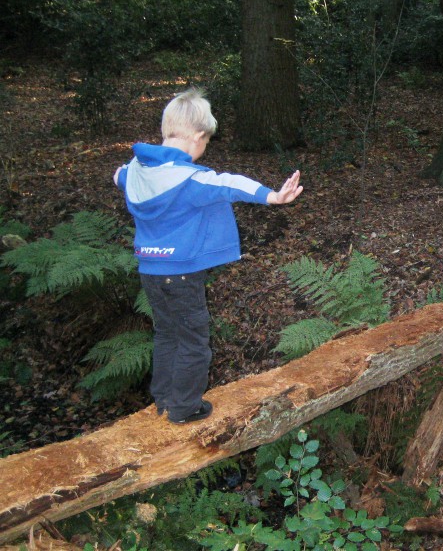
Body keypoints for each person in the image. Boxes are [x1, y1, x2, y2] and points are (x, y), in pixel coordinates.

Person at [114, 88, 303, 424]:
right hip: (182, 274)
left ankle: (164, 400)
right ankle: (184, 408)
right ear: (198, 137)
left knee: (167, 333)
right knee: (194, 342)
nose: (205, 150)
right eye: (206, 142)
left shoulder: (136, 172)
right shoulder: (191, 181)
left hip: (150, 270)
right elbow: (229, 184)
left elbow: (118, 175)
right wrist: (273, 196)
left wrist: (127, 171)